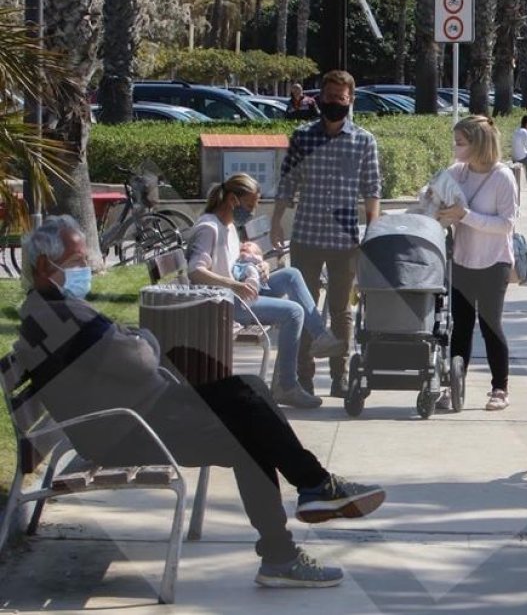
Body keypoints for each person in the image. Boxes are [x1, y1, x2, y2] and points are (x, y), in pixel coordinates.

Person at [15, 216, 386, 588]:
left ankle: (311, 494)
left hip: (144, 410)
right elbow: (140, 358)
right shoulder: (59, 317)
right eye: (79, 261)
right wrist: (140, 340)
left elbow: (128, 348)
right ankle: (292, 531)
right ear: (47, 266)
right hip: (130, 428)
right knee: (249, 432)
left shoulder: (51, 309)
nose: (89, 269)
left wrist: (136, 340)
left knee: (251, 388)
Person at [190, 173, 346, 409]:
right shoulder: (209, 228)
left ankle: (320, 336)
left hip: (240, 294)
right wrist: (232, 284)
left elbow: (234, 263)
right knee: (293, 313)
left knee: (291, 275)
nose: (252, 211)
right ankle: (286, 385)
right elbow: (195, 270)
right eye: (250, 205)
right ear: (233, 199)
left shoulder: (230, 225)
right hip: (223, 303)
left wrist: (258, 264)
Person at [271, 70, 381, 401]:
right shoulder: (303, 137)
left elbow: (372, 189)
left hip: (346, 241)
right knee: (306, 309)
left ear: (350, 100)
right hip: (306, 235)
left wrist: (372, 232)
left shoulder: (364, 140)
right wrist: (276, 220)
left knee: (341, 310)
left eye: (341, 98)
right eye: (329, 97)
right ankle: (304, 377)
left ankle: (340, 375)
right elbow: (287, 183)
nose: (334, 103)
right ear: (320, 98)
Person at [440, 116, 519, 411]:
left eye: (460, 143)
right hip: (462, 259)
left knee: (490, 324)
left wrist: (465, 215)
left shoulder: (502, 177)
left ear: (478, 144)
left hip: (494, 261)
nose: (456, 148)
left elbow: (506, 224)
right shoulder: (457, 172)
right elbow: (431, 192)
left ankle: (500, 387)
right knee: (459, 326)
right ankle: (452, 386)